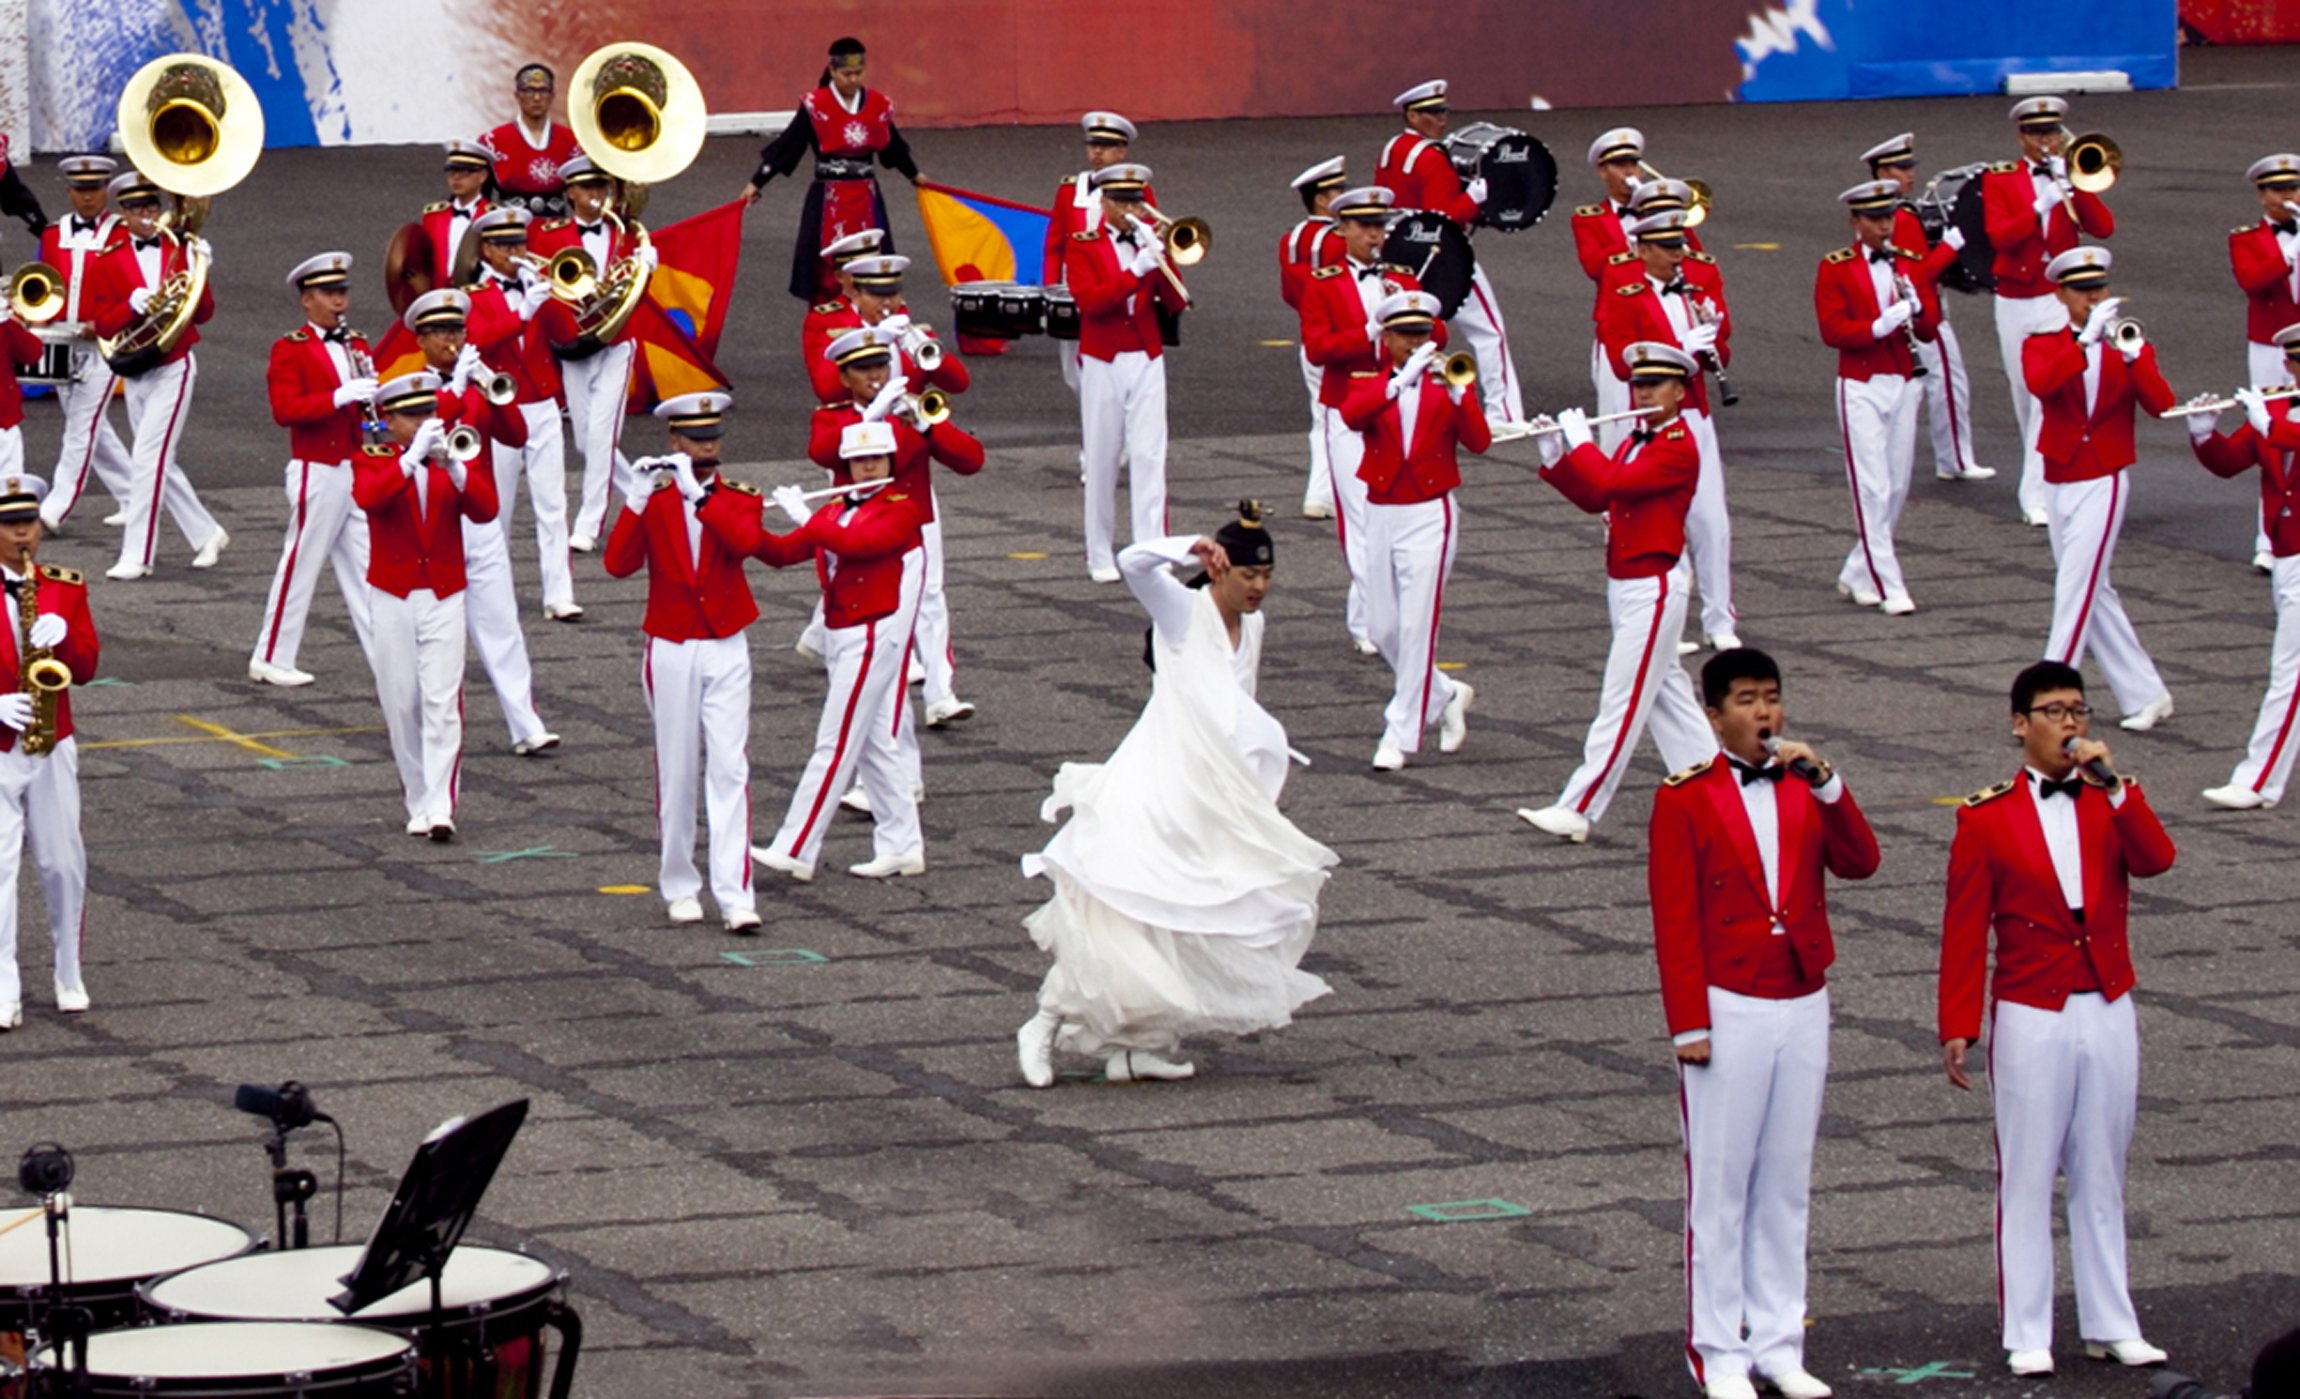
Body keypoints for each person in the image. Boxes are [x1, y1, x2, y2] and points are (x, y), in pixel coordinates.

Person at [1014, 504, 1337, 1088]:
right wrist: (1188, 545)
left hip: (1206, 793)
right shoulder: (1184, 612)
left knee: (1185, 913)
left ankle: (1141, 1048)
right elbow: (1132, 563)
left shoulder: (1254, 625)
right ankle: (1043, 1022)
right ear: (1220, 570)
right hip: (1154, 781)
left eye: (1267, 576)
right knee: (1123, 911)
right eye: (1248, 575)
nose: (1259, 587)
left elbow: (1237, 706)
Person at [1649, 647, 1878, 1399]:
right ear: (1715, 716)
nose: (1764, 713)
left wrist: (1829, 782)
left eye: (1771, 697)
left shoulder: (1804, 785)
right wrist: (1688, 1024)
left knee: (1785, 1182)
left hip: (1802, 994)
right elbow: (1675, 919)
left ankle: (1779, 1342)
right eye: (1747, 699)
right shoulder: (1685, 798)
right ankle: (1719, 1351)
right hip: (1728, 1001)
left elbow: (1861, 861)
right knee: (1720, 1188)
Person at [1940, 660, 2175, 1378]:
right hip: (2031, 1007)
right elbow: (1964, 926)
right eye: (2054, 711)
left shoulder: (2111, 798)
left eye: (2078, 709)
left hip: (2106, 998)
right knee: (2028, 1170)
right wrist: (1958, 1021)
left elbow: (2157, 859)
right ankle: (2027, 1328)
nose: (2070, 723)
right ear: (2021, 724)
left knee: (2102, 1167)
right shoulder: (1985, 816)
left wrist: (2118, 788)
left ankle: (2111, 1322)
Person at [1518, 344, 1718, 844]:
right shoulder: (1635, 439)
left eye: (1655, 385)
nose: (1643, 393)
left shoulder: (1678, 446)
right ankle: (1721, 793)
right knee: (1667, 696)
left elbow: (1614, 479)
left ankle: (1578, 808)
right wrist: (1556, 455)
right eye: (1638, 385)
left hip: (1653, 585)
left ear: (1680, 392)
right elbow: (1597, 496)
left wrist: (1583, 445)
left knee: (1622, 701)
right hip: (1625, 581)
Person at [716, 421, 928, 882]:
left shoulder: (901, 507)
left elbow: (860, 545)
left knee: (833, 746)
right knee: (873, 743)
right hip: (842, 631)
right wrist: (737, 517)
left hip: (871, 633)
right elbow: (780, 553)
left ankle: (796, 847)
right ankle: (903, 846)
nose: (868, 467)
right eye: (859, 460)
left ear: (890, 461)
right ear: (846, 465)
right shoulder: (834, 509)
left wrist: (807, 519)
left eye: (876, 459)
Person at [601, 393, 761, 932]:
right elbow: (617, 565)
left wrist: (701, 499)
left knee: (730, 767)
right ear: (674, 442)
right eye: (696, 440)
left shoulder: (738, 497)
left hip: (725, 641)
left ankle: (736, 895)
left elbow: (744, 542)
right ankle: (679, 884)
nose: (707, 448)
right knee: (676, 768)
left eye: (713, 439)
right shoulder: (657, 500)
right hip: (670, 644)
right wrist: (636, 501)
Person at [2024, 247, 2177, 731]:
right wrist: (2082, 345)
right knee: (2094, 589)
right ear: (2061, 295)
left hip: (2102, 476)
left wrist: (2135, 359)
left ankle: (2047, 702)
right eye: (2082, 291)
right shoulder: (2044, 344)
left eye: (2099, 289)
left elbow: (2162, 404)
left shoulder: (2128, 344)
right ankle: (2147, 694)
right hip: (2059, 476)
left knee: (2074, 589)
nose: (2093, 298)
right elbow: (2041, 384)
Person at [402, 289, 557, 757]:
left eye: (457, 330)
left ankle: (526, 724)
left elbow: (516, 435)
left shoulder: (477, 381)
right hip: (433, 521)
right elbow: (419, 438)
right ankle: (416, 722)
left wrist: (495, 390)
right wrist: (452, 392)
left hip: (479, 514)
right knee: (425, 630)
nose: (451, 340)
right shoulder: (410, 390)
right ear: (421, 340)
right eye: (440, 332)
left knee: (501, 621)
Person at [1339, 289, 1481, 770]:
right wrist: (1398, 384)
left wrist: (1460, 397)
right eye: (1404, 334)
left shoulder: (1449, 382)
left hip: (1429, 514)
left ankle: (1398, 734)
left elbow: (1479, 442)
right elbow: (1352, 416)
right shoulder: (1371, 383)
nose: (1415, 342)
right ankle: (1445, 694)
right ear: (1387, 338)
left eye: (1422, 333)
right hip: (1382, 509)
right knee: (1382, 628)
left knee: (1417, 627)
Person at [828, 258, 973, 724]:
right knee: (860, 590)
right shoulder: (838, 334)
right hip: (861, 490)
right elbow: (825, 393)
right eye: (877, 294)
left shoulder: (911, 335)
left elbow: (958, 382)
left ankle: (941, 693)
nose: (888, 302)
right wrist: (874, 350)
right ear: (856, 294)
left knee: (930, 592)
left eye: (893, 292)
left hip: (912, 491)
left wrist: (919, 345)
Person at [353, 374, 497, 841]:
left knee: (442, 700)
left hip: (444, 591)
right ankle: (417, 797)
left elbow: (486, 510)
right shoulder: (372, 458)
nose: (423, 424)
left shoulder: (452, 459)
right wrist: (410, 460)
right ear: (389, 421)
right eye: (411, 416)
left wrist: (456, 469)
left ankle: (440, 806)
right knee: (401, 701)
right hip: (392, 593)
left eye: (428, 413)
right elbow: (370, 498)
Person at [1297, 185, 1440, 654]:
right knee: (1360, 517)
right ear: (1342, 230)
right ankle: (1373, 623)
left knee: (1395, 511)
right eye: (1365, 226)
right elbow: (1318, 348)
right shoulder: (1322, 283)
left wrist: (1409, 317)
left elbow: (1437, 332)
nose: (1375, 235)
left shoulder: (1402, 278)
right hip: (1349, 404)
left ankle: (1376, 616)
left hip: (1398, 407)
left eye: (1380, 226)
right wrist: (1370, 330)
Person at [1599, 209, 1741, 650]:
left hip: (1694, 413)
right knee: (1660, 522)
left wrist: (1711, 333)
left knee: (1711, 520)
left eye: (1679, 245)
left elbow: (1721, 358)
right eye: (1666, 247)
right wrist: (1680, 346)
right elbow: (1621, 360)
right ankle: (1665, 620)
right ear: (1643, 251)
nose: (1678, 254)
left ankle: (1720, 619)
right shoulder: (1625, 294)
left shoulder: (1693, 290)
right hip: (1651, 418)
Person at [77, 170, 227, 582]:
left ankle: (138, 555)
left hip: (174, 366)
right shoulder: (106, 260)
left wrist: (201, 271)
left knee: (147, 459)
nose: (144, 215)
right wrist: (131, 305)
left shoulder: (180, 251)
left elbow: (204, 314)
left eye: (149, 206)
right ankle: (206, 533)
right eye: (134, 208)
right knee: (159, 459)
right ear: (122, 214)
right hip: (135, 367)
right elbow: (103, 325)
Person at [2182, 327, 2300, 809]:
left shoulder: (2275, 420)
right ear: (2290, 365)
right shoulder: (2275, 408)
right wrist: (2203, 432)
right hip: (2287, 551)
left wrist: (2271, 427)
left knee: (2289, 674)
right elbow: (2229, 462)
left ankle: (2258, 780)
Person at [1985, 97, 2114, 527]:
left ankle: (2036, 494)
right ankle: (2046, 475)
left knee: (2051, 395)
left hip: (2058, 298)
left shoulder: (2069, 175)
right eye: (2038, 133)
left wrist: (2076, 187)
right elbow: (2000, 237)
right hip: (2015, 298)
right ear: (2022, 137)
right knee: (2025, 395)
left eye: (2053, 132)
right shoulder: (1999, 179)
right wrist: (2038, 207)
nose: (2047, 141)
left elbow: (2103, 228)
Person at [250, 251, 378, 687]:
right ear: (307, 300)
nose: (339, 300)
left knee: (368, 567)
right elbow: (285, 410)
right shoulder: (290, 348)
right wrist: (338, 397)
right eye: (328, 293)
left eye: (342, 292)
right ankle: (270, 656)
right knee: (301, 564)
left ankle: (386, 657)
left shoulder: (356, 343)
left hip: (353, 464)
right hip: (316, 466)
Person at [1815, 179, 1941, 615]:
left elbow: (1930, 329)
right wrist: (1877, 326)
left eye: (1888, 217)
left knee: (1897, 486)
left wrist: (1918, 310)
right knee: (1872, 487)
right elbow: (1832, 330)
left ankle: (1858, 570)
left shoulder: (1910, 263)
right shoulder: (1835, 267)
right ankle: (1891, 584)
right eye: (1874, 219)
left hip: (1904, 380)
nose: (1884, 226)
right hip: (1861, 384)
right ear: (1855, 222)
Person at [0, 475, 99, 1030]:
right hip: (0, 743)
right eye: (10, 525)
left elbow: (85, 669)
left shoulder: (64, 587)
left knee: (63, 862)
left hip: (51, 739)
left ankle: (68, 971)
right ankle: (3, 984)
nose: (22, 534)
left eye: (28, 523)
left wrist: (63, 636)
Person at [1377, 79, 1523, 428]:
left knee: (1405, 333)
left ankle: (1404, 409)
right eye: (1432, 112)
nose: (1441, 118)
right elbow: (1442, 219)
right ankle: (1503, 413)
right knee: (1489, 331)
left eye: (1443, 111)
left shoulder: (1392, 148)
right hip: (1445, 257)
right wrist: (1473, 199)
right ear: (1412, 115)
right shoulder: (1432, 158)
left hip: (1401, 253)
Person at [528, 156, 657, 551]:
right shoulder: (549, 236)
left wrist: (647, 268)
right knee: (586, 441)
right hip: (574, 342)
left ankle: (589, 523)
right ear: (570, 192)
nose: (595, 195)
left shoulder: (627, 233)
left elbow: (635, 290)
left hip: (617, 342)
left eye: (600, 187)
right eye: (586, 188)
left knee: (601, 435)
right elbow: (544, 287)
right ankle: (645, 495)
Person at [1068, 163, 1185, 584]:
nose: (1129, 210)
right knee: (1102, 457)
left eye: (1135, 201)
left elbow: (1176, 302)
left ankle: (1152, 550)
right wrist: (1135, 271)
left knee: (1150, 455)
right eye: (1120, 202)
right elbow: (1091, 302)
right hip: (1103, 357)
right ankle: (1099, 552)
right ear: (1103, 203)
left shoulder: (1145, 241)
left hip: (1147, 354)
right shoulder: (1082, 245)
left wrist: (1161, 258)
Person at [740, 36, 921, 302]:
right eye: (846, 74)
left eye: (858, 73)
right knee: (824, 262)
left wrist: (914, 174)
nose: (853, 79)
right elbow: (790, 144)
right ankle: (829, 312)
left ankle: (868, 310)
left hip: (866, 195)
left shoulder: (878, 106)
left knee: (870, 255)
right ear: (833, 71)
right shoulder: (816, 106)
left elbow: (893, 147)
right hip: (828, 196)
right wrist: (757, 182)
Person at [464, 206, 579, 621]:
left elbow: (569, 335)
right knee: (499, 505)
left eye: (520, 244)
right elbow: (475, 342)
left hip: (543, 403)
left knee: (553, 502)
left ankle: (559, 594)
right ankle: (492, 593)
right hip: (501, 409)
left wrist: (550, 298)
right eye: (505, 245)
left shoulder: (537, 288)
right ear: (487, 250)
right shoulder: (473, 297)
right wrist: (522, 314)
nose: (516, 253)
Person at [1863, 133, 1995, 484]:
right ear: (1882, 172)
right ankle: (1955, 459)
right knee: (1948, 384)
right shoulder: (1901, 217)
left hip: (1895, 314)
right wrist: (1950, 248)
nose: (1910, 174)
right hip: (1920, 315)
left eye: (1910, 166)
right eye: (1901, 168)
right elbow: (1916, 274)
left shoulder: (1876, 213)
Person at [32, 155, 132, 531]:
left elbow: (133, 288)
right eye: (80, 189)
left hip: (105, 342)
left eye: (95, 188)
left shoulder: (122, 234)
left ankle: (54, 509)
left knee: (80, 427)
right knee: (92, 427)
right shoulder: (52, 235)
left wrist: (103, 322)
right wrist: (37, 324)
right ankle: (135, 496)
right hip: (62, 339)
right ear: (68, 192)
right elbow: (44, 285)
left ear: (106, 190)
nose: (88, 197)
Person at [2229, 153, 2300, 571]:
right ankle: (2269, 540)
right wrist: (2291, 252)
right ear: (2262, 196)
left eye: (2293, 188)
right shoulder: (2247, 239)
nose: (2289, 196)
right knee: (2271, 436)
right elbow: (2252, 281)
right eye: (2279, 190)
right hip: (2271, 347)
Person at [1047, 113, 1150, 395]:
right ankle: (1092, 406)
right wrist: (1051, 288)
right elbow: (1055, 243)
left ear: (1121, 151)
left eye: (1105, 147)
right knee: (1073, 362)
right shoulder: (1069, 190)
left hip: (1120, 278)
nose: (1097, 152)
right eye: (1093, 145)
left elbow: (1147, 233)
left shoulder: (1138, 190)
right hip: (1078, 282)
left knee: (1120, 352)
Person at [1280, 156, 1347, 520]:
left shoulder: (1291, 239)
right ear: (1321, 200)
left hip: (1310, 337)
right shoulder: (1339, 241)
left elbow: (1290, 294)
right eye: (1338, 191)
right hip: (1343, 339)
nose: (1344, 196)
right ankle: (1333, 494)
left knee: (1322, 418)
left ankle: (1321, 494)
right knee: (1346, 420)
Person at [479, 64, 580, 219]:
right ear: (517, 95)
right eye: (529, 91)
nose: (537, 98)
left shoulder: (570, 141)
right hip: (511, 227)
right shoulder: (493, 141)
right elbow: (481, 198)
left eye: (543, 91)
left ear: (552, 96)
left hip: (557, 227)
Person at [799, 229, 886, 403]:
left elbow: (948, 381)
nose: (869, 278)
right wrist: (863, 327)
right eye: (860, 271)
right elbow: (826, 390)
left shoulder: (896, 310)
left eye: (874, 269)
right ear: (839, 276)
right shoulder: (822, 320)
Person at [421, 142, 494, 278]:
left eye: (464, 172)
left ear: (483, 176)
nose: (456, 177)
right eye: (451, 171)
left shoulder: (493, 217)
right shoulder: (433, 216)